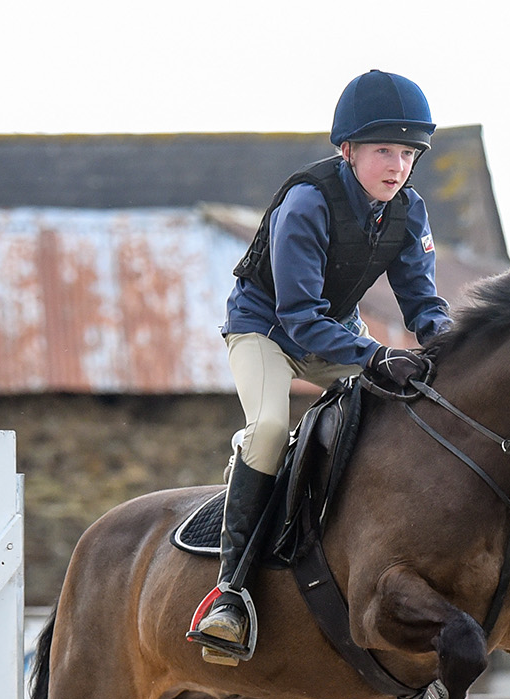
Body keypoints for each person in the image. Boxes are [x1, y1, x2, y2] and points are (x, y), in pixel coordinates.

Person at [187, 69, 454, 665]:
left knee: (410, 412)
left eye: (408, 153)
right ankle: (229, 592)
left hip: (334, 333)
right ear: (347, 150)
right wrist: (377, 355)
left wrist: (448, 345)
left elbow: (422, 302)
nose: (398, 165)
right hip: (267, 330)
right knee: (268, 431)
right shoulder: (308, 200)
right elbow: (300, 319)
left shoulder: (409, 210)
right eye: (384, 150)